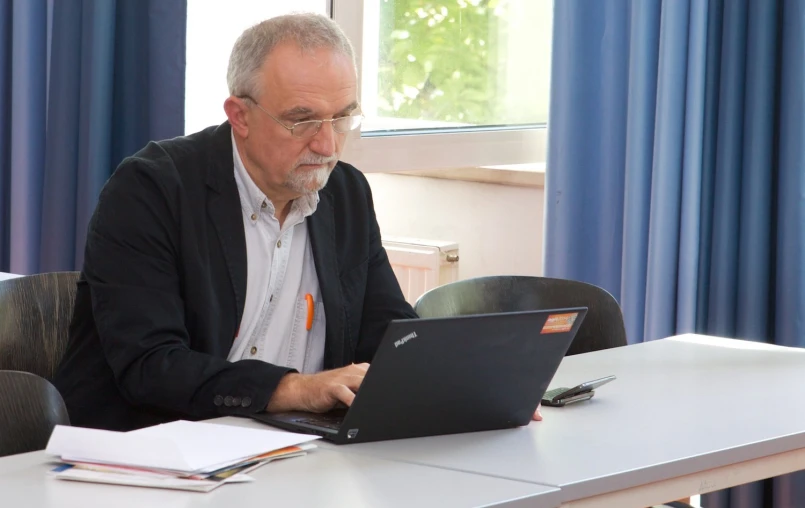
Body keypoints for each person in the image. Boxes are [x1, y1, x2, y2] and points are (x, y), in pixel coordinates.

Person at [53, 13, 417, 431]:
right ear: (240, 116)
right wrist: (295, 389)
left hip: (296, 450)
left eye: (341, 118)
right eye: (302, 121)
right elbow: (151, 366)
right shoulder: (151, 190)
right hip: (151, 453)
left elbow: (390, 333)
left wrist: (449, 371)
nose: (327, 143)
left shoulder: (345, 193)